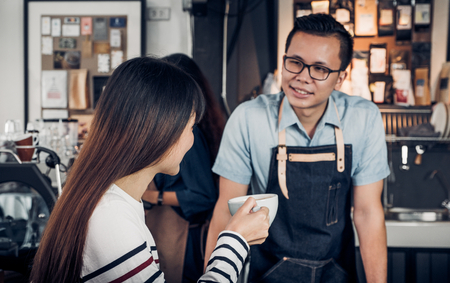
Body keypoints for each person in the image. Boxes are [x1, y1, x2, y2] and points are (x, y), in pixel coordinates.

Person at [29, 56, 269, 283]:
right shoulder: (112, 219)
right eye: (190, 126)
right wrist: (235, 241)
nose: (191, 140)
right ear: (161, 129)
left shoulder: (109, 200)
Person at [205, 13, 389, 283]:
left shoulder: (363, 118)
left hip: (338, 272)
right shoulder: (248, 118)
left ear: (340, 78)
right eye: (295, 63)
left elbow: (367, 212)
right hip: (267, 273)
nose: (303, 77)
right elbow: (225, 211)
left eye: (320, 69)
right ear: (284, 61)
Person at [142, 53, 225, 283]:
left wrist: (152, 196)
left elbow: (203, 196)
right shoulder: (181, 129)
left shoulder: (189, 135)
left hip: (184, 238)